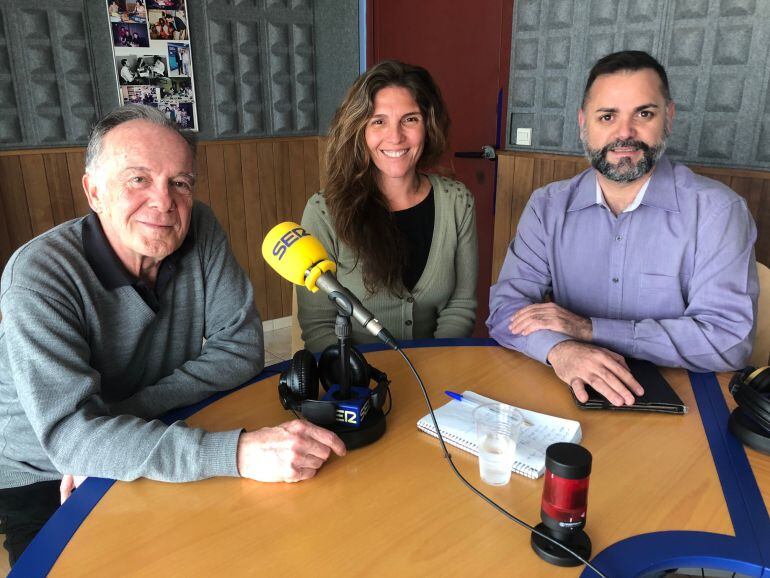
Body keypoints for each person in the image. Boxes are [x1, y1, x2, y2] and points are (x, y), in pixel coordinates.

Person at [0, 105, 345, 566]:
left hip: (150, 429)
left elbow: (241, 350)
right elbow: (68, 439)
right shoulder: (39, 274)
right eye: (138, 179)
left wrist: (109, 430)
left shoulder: (198, 226)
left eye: (180, 182)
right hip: (42, 471)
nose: (164, 202)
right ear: (94, 191)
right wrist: (237, 453)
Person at [487, 50, 759, 407]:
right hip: (568, 388)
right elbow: (506, 308)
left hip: (688, 404)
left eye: (643, 113)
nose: (625, 133)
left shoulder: (717, 212)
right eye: (607, 116)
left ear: (669, 118)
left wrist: (589, 330)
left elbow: (728, 340)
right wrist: (560, 349)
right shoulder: (547, 206)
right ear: (583, 122)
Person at [298, 60, 478, 352]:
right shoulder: (323, 212)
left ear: (428, 126)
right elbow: (319, 327)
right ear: (359, 129)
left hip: (436, 370)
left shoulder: (458, 202)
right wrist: (356, 379)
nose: (395, 137)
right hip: (357, 380)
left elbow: (460, 305)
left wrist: (435, 367)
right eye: (378, 121)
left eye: (410, 119)